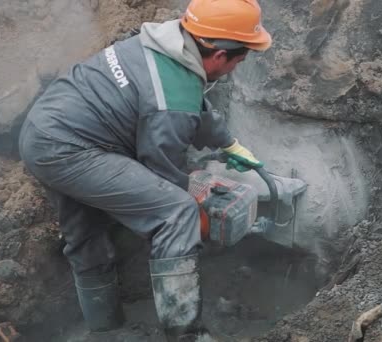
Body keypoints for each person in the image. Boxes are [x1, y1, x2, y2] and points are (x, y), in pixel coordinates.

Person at [18, 0, 272, 340]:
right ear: (219, 55)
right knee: (177, 213)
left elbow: (188, 101)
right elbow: (164, 168)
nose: (234, 70)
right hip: (71, 150)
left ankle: (104, 328)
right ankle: (186, 334)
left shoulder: (163, 42)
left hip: (43, 132)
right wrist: (199, 211)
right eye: (238, 61)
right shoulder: (173, 100)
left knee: (86, 232)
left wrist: (228, 144)